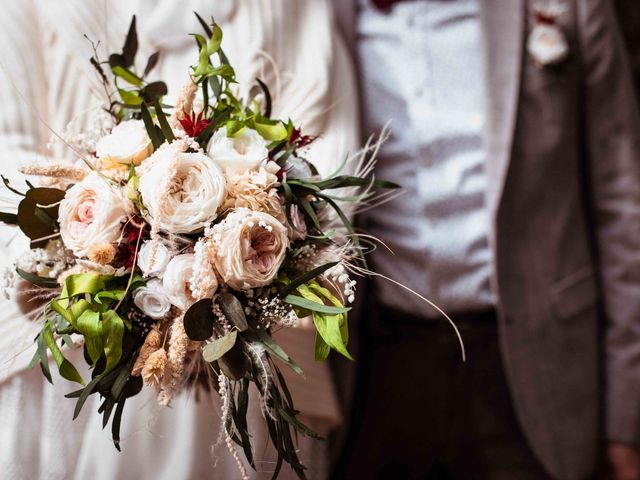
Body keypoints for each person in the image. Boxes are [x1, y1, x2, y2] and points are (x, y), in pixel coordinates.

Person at [0, 0, 356, 478]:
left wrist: (238, 274)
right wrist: (97, 256)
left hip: (246, 370)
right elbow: (9, 150)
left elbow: (329, 155)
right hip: (71, 356)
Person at [331, 0, 640, 479]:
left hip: (535, 370)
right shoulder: (331, 16)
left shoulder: (570, 9)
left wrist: (627, 417)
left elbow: (623, 205)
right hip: (379, 365)